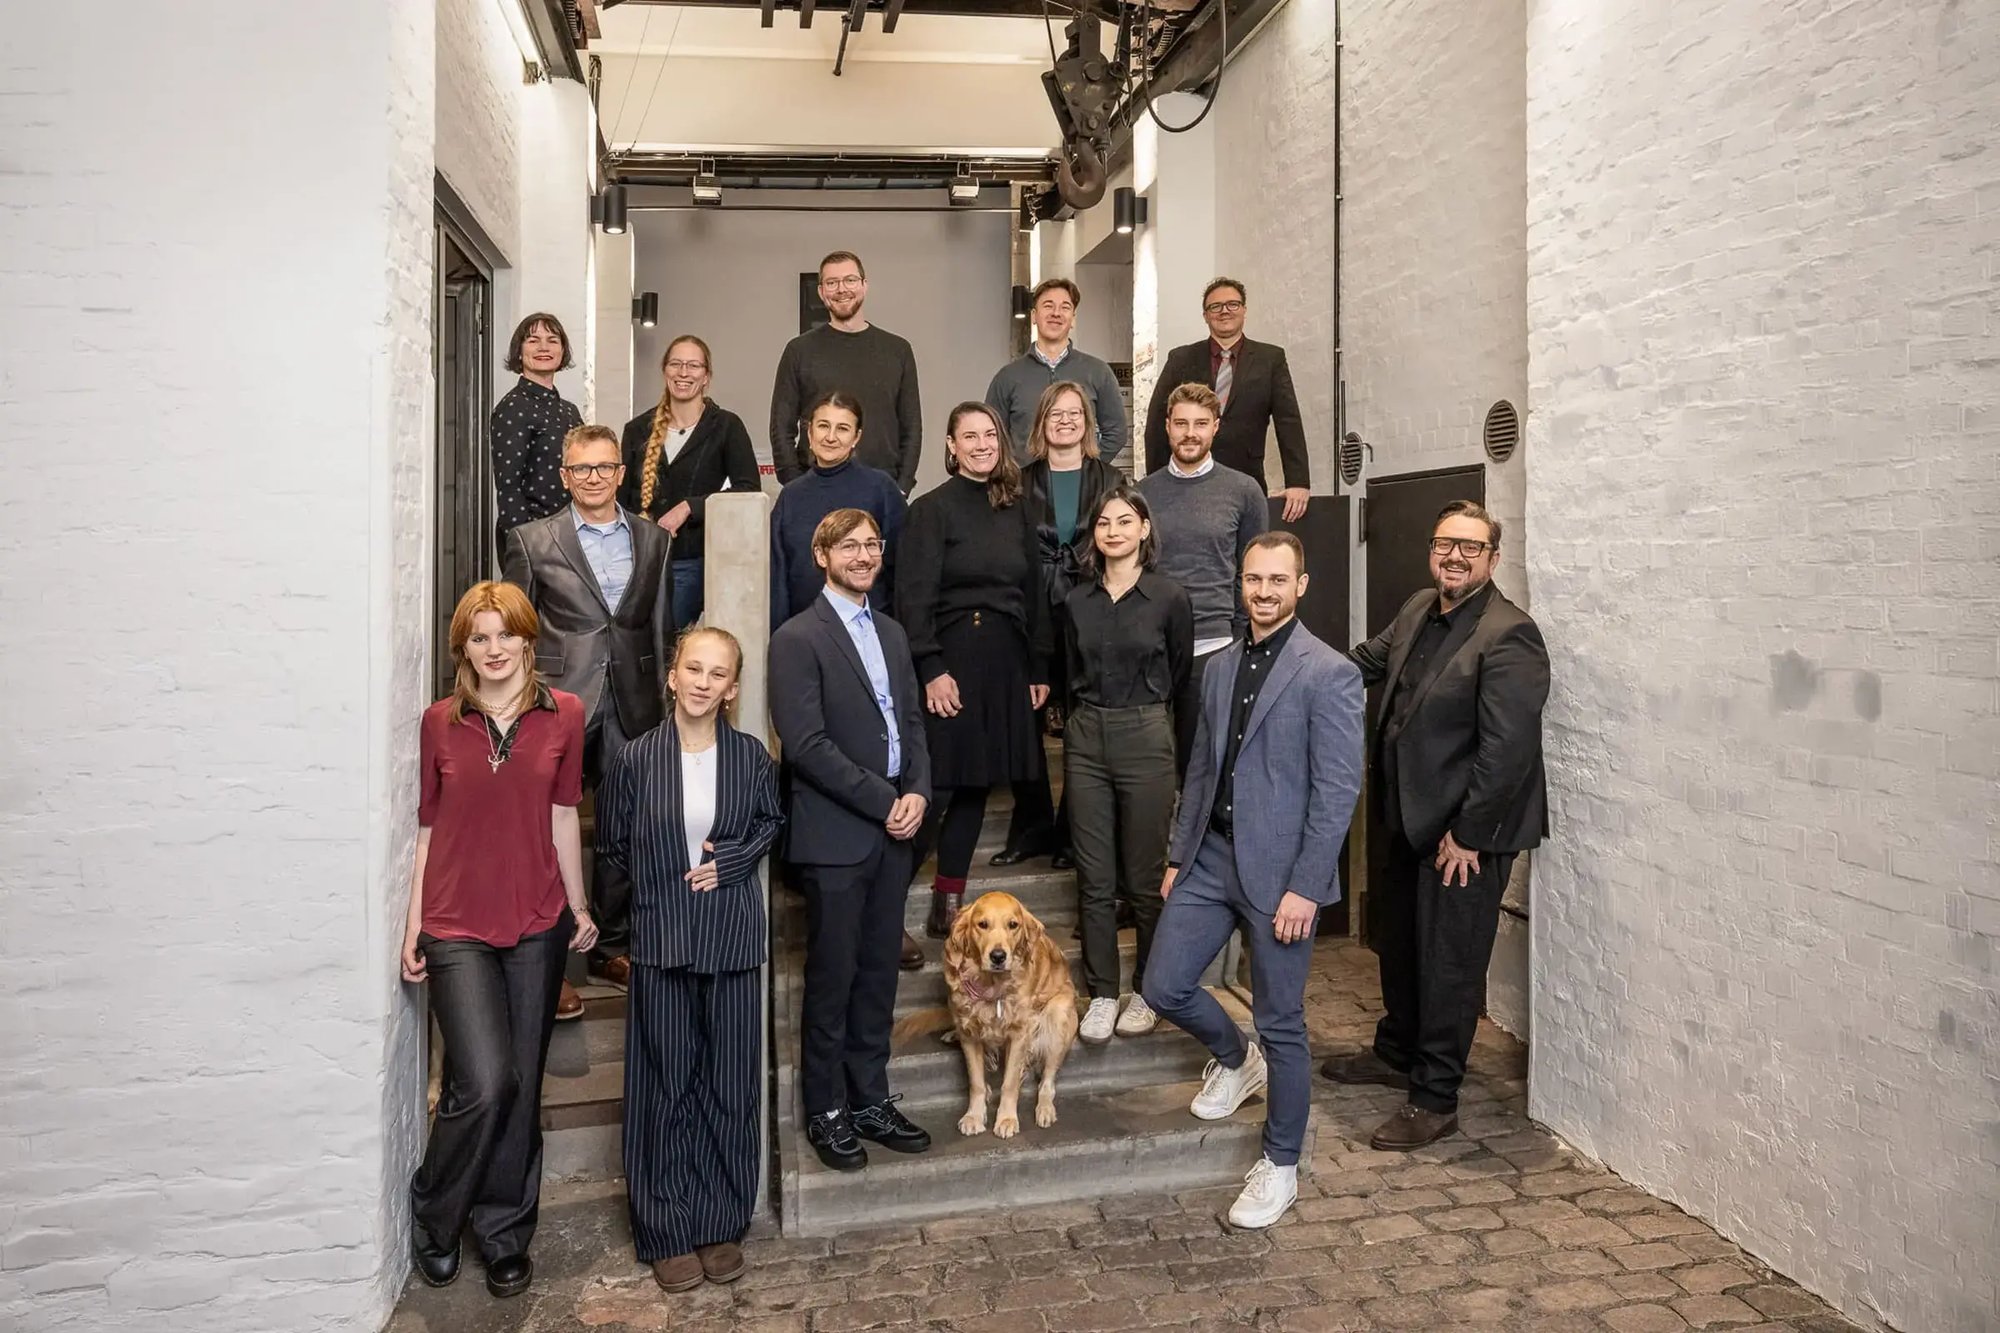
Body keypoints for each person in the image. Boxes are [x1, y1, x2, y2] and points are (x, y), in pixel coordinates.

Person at [1140, 532, 1363, 1230]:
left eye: (1277, 580)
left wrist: (1306, 885)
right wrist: (1178, 855)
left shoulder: (1328, 672)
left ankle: (1282, 1163)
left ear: (1300, 584)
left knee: (1283, 1022)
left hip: (1281, 877)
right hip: (1210, 857)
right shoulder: (1219, 666)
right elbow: (1200, 771)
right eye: (1252, 579)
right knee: (1162, 984)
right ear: (1239, 584)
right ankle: (1237, 1059)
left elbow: (1336, 791)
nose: (1263, 591)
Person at [1319, 501, 1549, 1152]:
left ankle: (1435, 1097)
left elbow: (1508, 752)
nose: (1455, 555)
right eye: (1446, 543)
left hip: (1466, 834)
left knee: (1449, 962)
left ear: (1493, 559)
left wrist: (1470, 833)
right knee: (1400, 941)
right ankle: (1397, 1051)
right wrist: (1288, 665)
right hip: (1406, 818)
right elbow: (1361, 664)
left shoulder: (1510, 634)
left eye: (1470, 547)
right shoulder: (1421, 607)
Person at [403, 581, 598, 1300]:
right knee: (482, 1080)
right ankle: (436, 1210)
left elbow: (563, 814)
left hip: (537, 922)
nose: (493, 649)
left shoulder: (565, 714)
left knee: (520, 1084)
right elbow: (426, 828)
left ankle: (506, 1231)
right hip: (456, 924)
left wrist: (578, 905)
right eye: (478, 638)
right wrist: (410, 926)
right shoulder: (438, 722)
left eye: (504, 635)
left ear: (527, 640)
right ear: (464, 650)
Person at [595, 626, 785, 1293]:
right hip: (661, 938)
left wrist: (729, 861)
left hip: (731, 936)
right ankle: (667, 1228)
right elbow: (613, 847)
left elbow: (769, 823)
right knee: (663, 1087)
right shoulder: (634, 757)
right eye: (693, 668)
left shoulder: (752, 756)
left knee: (729, 1085)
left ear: (732, 687)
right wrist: (623, 928)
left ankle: (718, 1220)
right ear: (671, 675)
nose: (703, 682)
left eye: (718, 673)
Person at [770, 509, 935, 1172]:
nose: (864, 555)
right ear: (821, 553)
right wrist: (885, 798)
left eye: (872, 544)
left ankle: (869, 1098)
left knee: (876, 977)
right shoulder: (796, 638)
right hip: (836, 834)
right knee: (834, 978)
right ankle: (827, 1109)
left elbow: (914, 722)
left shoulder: (892, 632)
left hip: (896, 833)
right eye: (850, 545)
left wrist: (919, 788)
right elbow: (805, 745)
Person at [503, 425, 675, 1011]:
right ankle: (547, 951)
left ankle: (611, 945)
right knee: (542, 823)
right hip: (555, 700)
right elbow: (514, 629)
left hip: (634, 699)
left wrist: (665, 701)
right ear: (564, 476)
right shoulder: (531, 540)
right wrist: (514, 708)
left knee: (625, 825)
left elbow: (657, 626)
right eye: (581, 469)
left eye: (604, 467)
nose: (593, 477)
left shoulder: (654, 539)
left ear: (621, 474)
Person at [897, 403, 1049, 939]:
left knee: (975, 786)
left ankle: (947, 904)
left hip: (1007, 658)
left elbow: (1033, 591)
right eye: (970, 436)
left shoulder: (1018, 507)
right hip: (953, 657)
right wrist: (931, 667)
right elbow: (912, 597)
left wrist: (1037, 666)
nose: (982, 444)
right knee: (935, 787)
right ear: (951, 445)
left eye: (991, 435)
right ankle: (887, 905)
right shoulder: (930, 509)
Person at [1062, 485, 1191, 1044]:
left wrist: (1177, 757)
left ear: (1144, 530)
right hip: (1087, 735)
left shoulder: (1168, 597)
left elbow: (1182, 680)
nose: (1113, 530)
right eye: (1103, 522)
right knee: (1093, 879)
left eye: (1124, 521)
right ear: (1094, 535)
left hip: (1146, 732)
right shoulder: (1075, 601)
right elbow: (1067, 671)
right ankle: (1102, 994)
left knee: (1144, 879)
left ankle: (1148, 991)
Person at [995, 380, 1126, 868]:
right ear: (1041, 423)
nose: (1066, 421)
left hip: (1091, 607)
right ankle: (1032, 826)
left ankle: (1074, 832)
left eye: (1075, 413)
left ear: (1088, 423)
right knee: (1024, 721)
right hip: (1030, 610)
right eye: (1056, 413)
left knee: (1083, 721)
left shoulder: (1111, 480)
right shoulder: (1017, 481)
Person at [1136, 383, 1269, 779]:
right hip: (1151, 645)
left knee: (1204, 763)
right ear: (1166, 427)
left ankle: (1198, 837)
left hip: (1214, 646)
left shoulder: (1244, 491)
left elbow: (1252, 571)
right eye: (1181, 423)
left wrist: (1241, 637)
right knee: (1152, 764)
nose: (1189, 432)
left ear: (1216, 427)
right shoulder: (1142, 493)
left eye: (1200, 423)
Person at [620, 335, 760, 628]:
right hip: (639, 562)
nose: (684, 373)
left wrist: (690, 507)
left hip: (692, 562)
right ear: (665, 371)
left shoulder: (726, 427)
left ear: (706, 377)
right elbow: (621, 499)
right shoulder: (636, 430)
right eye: (676, 364)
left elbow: (748, 490)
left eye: (693, 366)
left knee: (672, 648)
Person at [1142, 279, 1311, 522]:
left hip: (1247, 476)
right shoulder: (1181, 358)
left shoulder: (1270, 359)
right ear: (1205, 315)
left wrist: (1298, 481)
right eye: (1216, 306)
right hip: (1186, 479)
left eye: (1232, 304)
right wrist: (1157, 482)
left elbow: (1288, 421)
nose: (1224, 311)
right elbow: (1157, 421)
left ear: (1244, 310)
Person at [770, 252, 923, 491]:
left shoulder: (898, 350)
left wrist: (902, 487)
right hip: (815, 487)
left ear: (864, 285)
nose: (842, 289)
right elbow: (781, 426)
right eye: (832, 283)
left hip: (882, 489)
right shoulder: (799, 351)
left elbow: (912, 427)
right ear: (821, 292)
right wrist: (795, 485)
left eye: (850, 280)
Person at [770, 389, 907, 629]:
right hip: (804, 633)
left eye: (842, 428)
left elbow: (903, 569)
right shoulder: (790, 496)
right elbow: (778, 578)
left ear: (856, 437)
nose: (830, 437)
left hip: (869, 628)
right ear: (809, 432)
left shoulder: (881, 488)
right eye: (823, 426)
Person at [984, 277, 1129, 465]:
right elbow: (992, 435)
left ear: (1073, 319)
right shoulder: (1007, 377)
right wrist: (1014, 476)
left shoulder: (1098, 372)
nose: (1056, 313)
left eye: (1065, 307)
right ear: (1034, 316)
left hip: (1082, 491)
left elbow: (1116, 432)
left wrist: (1088, 469)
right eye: (1048, 306)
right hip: (1023, 490)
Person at [492, 313, 585, 551]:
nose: (544, 347)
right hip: (535, 538)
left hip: (573, 534)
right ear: (519, 351)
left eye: (553, 340)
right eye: (533, 340)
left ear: (562, 351)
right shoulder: (512, 408)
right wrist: (524, 548)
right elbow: (509, 488)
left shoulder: (569, 410)